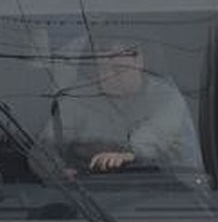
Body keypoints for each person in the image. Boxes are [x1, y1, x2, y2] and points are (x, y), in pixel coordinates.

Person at [35, 40, 204, 176]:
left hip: (162, 189)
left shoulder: (167, 98)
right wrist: (56, 171)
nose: (108, 76)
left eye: (117, 68)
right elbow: (45, 146)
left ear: (139, 62)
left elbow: (156, 134)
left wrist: (130, 153)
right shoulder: (77, 98)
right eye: (102, 68)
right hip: (86, 193)